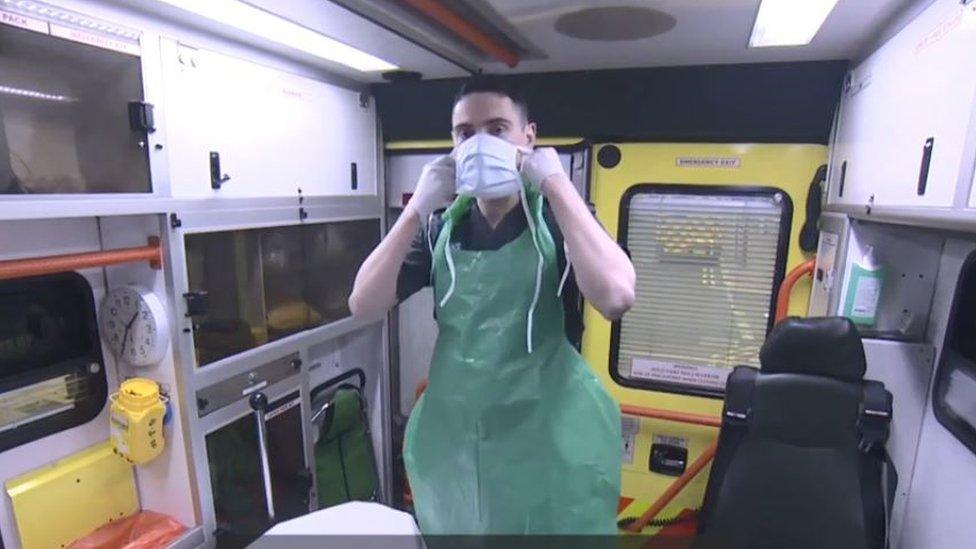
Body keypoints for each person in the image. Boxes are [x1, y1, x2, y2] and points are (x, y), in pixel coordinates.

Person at [349, 76, 635, 534]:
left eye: (497, 128)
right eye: (465, 132)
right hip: (458, 449)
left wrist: (558, 186)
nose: (480, 142)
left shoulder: (559, 222)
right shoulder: (441, 229)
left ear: (529, 137)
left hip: (547, 447)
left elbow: (617, 297)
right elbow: (363, 303)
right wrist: (416, 208)